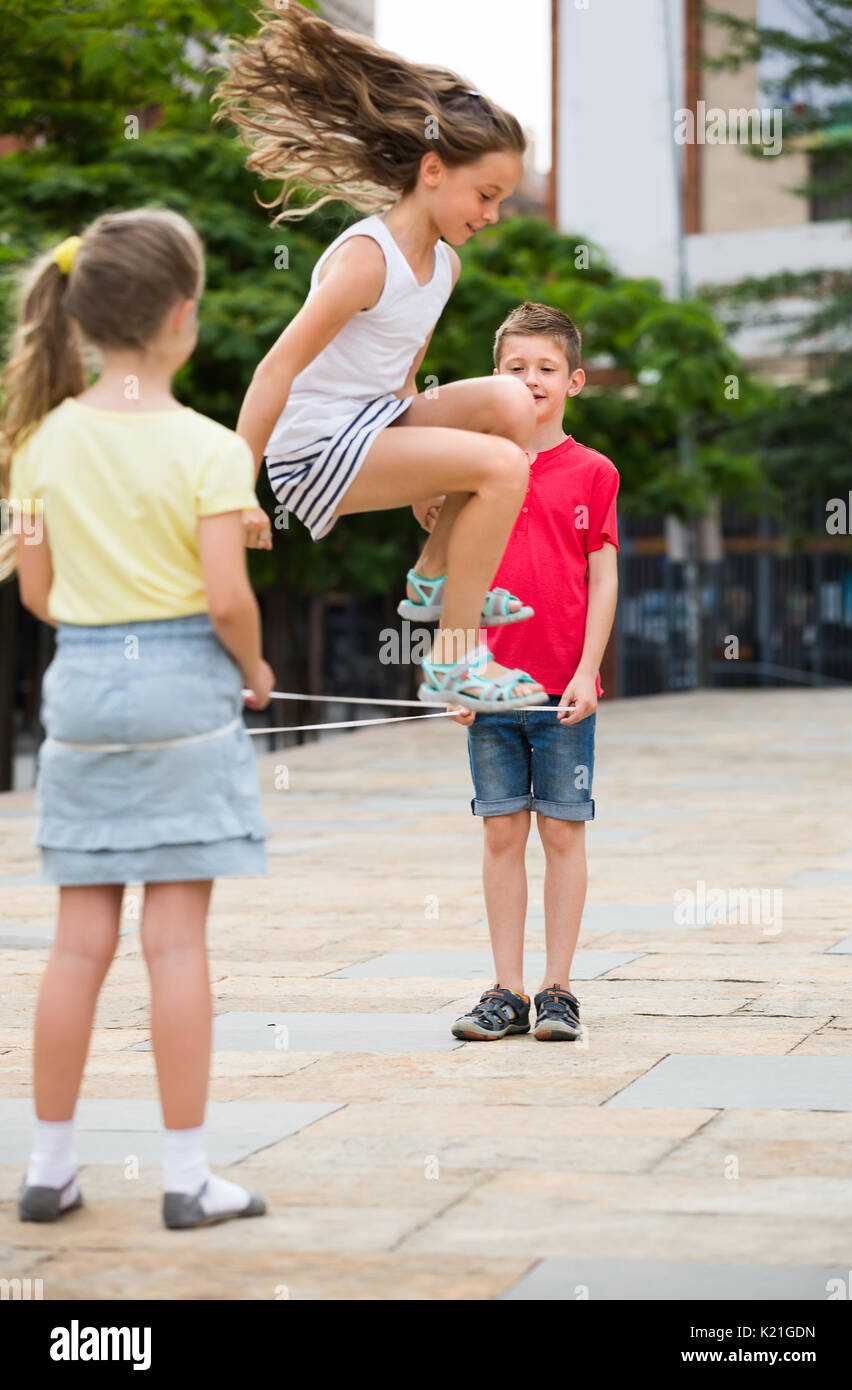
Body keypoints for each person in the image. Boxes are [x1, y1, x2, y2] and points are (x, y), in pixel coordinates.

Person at [2, 208, 274, 1229]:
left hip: (79, 681)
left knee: (77, 942)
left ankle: (50, 1166)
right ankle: (185, 1175)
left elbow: (35, 591)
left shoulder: (36, 444)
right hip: (180, 682)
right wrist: (252, 666)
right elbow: (226, 596)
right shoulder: (209, 449)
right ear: (180, 317)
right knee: (174, 941)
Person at [213, 0, 548, 712]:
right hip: (313, 449)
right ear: (433, 168)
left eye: (500, 201)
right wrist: (237, 488)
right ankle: (454, 662)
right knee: (503, 465)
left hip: (376, 420)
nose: (491, 215)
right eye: (485, 195)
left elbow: (401, 377)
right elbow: (277, 366)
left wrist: (431, 473)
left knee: (513, 401)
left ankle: (431, 577)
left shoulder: (444, 267)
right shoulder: (368, 258)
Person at [414, 304, 619, 1041]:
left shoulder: (594, 472)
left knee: (563, 834)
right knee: (501, 831)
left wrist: (590, 670)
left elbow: (603, 574)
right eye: (514, 368)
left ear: (575, 380)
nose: (530, 382)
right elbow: (442, 571)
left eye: (546, 369)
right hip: (490, 684)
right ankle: (505, 990)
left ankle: (557, 989)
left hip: (561, 688)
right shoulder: (468, 469)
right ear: (492, 377)